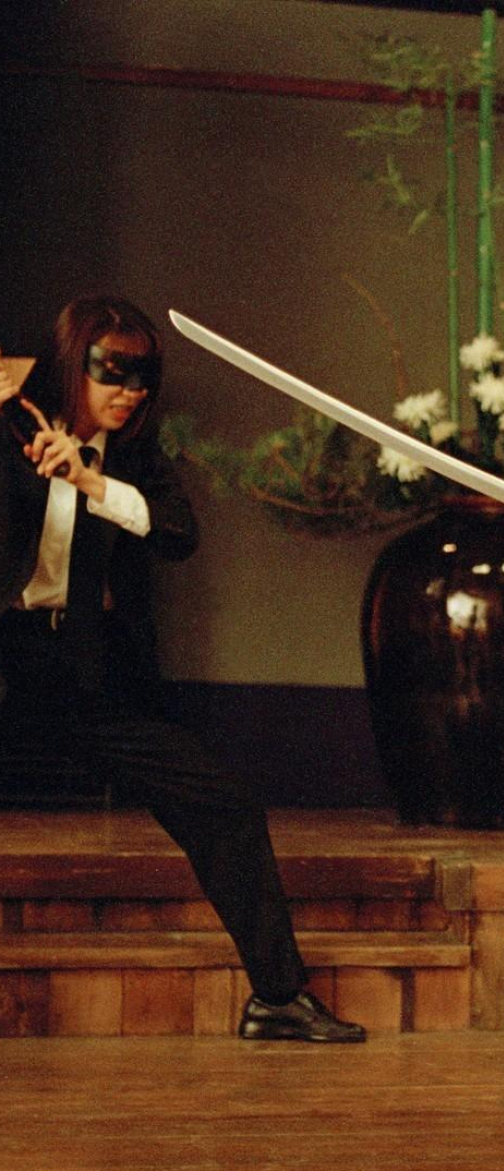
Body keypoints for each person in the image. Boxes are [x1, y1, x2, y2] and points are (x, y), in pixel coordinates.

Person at [0, 295, 364, 1043]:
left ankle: (278, 998)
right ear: (72, 365)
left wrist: (93, 484)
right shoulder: (12, 429)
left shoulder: (133, 457)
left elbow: (176, 532)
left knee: (224, 804)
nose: (130, 391)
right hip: (11, 652)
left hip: (87, 670)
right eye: (112, 371)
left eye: (143, 377)